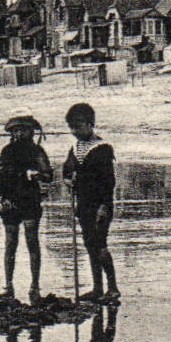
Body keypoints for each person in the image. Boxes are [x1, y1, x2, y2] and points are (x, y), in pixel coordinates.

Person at [62, 102, 120, 303]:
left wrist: (104, 206)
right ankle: (97, 288)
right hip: (83, 204)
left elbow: (108, 182)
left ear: (90, 124)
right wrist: (69, 179)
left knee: (100, 244)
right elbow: (66, 171)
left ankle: (112, 288)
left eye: (78, 126)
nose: (75, 131)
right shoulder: (76, 148)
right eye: (72, 127)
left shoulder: (102, 149)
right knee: (89, 245)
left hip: (100, 205)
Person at [0, 115, 54, 302]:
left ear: (32, 131)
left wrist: (37, 174)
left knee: (32, 241)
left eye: (24, 130)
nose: (20, 133)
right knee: (10, 243)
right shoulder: (6, 151)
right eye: (16, 130)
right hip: (10, 201)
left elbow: (48, 175)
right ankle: (8, 285)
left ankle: (34, 285)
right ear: (12, 133)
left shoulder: (37, 151)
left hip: (30, 200)